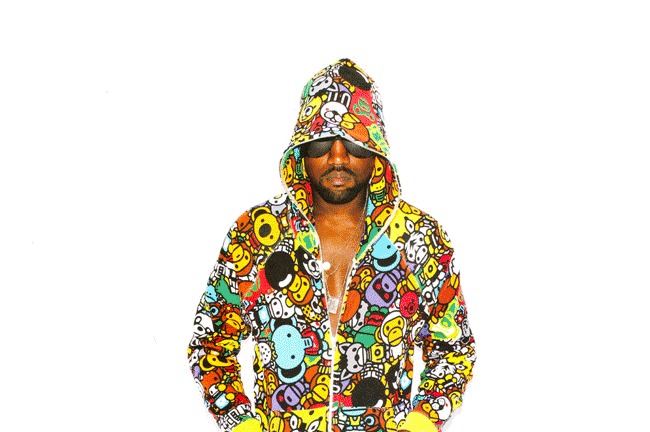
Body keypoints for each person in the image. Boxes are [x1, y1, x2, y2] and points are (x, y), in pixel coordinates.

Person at [188, 58, 476, 432]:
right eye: (323, 141)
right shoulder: (255, 234)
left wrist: (419, 425)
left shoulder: (419, 236)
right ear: (302, 148)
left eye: (354, 143)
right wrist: (243, 425)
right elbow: (210, 343)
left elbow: (453, 349)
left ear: (376, 148)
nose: (338, 157)